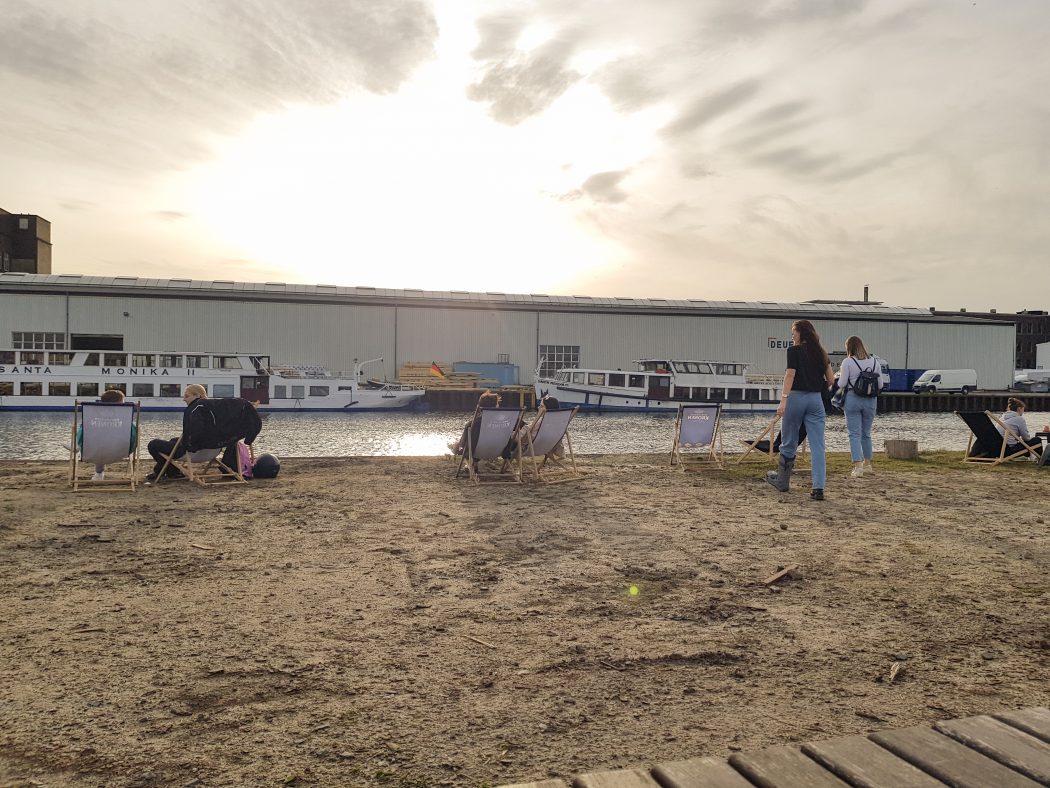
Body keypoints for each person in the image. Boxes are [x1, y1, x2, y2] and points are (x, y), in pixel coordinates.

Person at [766, 319, 835, 500]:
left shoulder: (794, 351)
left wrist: (783, 400)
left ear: (801, 333)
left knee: (788, 441)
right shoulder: (821, 352)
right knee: (818, 445)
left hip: (795, 398)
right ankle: (818, 488)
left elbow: (790, 374)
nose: (792, 335)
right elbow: (830, 380)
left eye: (793, 332)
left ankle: (782, 481)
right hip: (815, 401)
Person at [837, 336, 883, 478]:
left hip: (853, 399)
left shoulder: (848, 362)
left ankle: (858, 467)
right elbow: (880, 385)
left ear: (849, 348)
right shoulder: (875, 362)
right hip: (871, 401)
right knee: (866, 433)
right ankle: (868, 464)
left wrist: (839, 376)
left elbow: (842, 384)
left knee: (854, 434)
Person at [145, 384, 208, 482]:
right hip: (211, 451)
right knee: (173, 441)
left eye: (187, 396)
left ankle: (167, 471)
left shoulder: (194, 411)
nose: (184, 399)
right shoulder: (212, 412)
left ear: (198, 396)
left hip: (193, 451)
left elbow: (193, 436)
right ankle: (172, 472)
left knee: (153, 444)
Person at [76, 388, 137, 481]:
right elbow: (133, 437)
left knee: (100, 442)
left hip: (93, 450)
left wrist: (79, 444)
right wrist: (132, 447)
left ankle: (99, 474)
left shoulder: (93, 419)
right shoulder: (125, 420)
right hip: (122, 450)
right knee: (106, 441)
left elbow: (81, 436)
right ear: (119, 403)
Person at [448, 391, 501, 457]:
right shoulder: (502, 423)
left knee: (459, 445)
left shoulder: (473, 424)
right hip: (498, 450)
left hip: (476, 452)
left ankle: (455, 448)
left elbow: (463, 443)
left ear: (480, 407)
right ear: (496, 406)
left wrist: (458, 445)